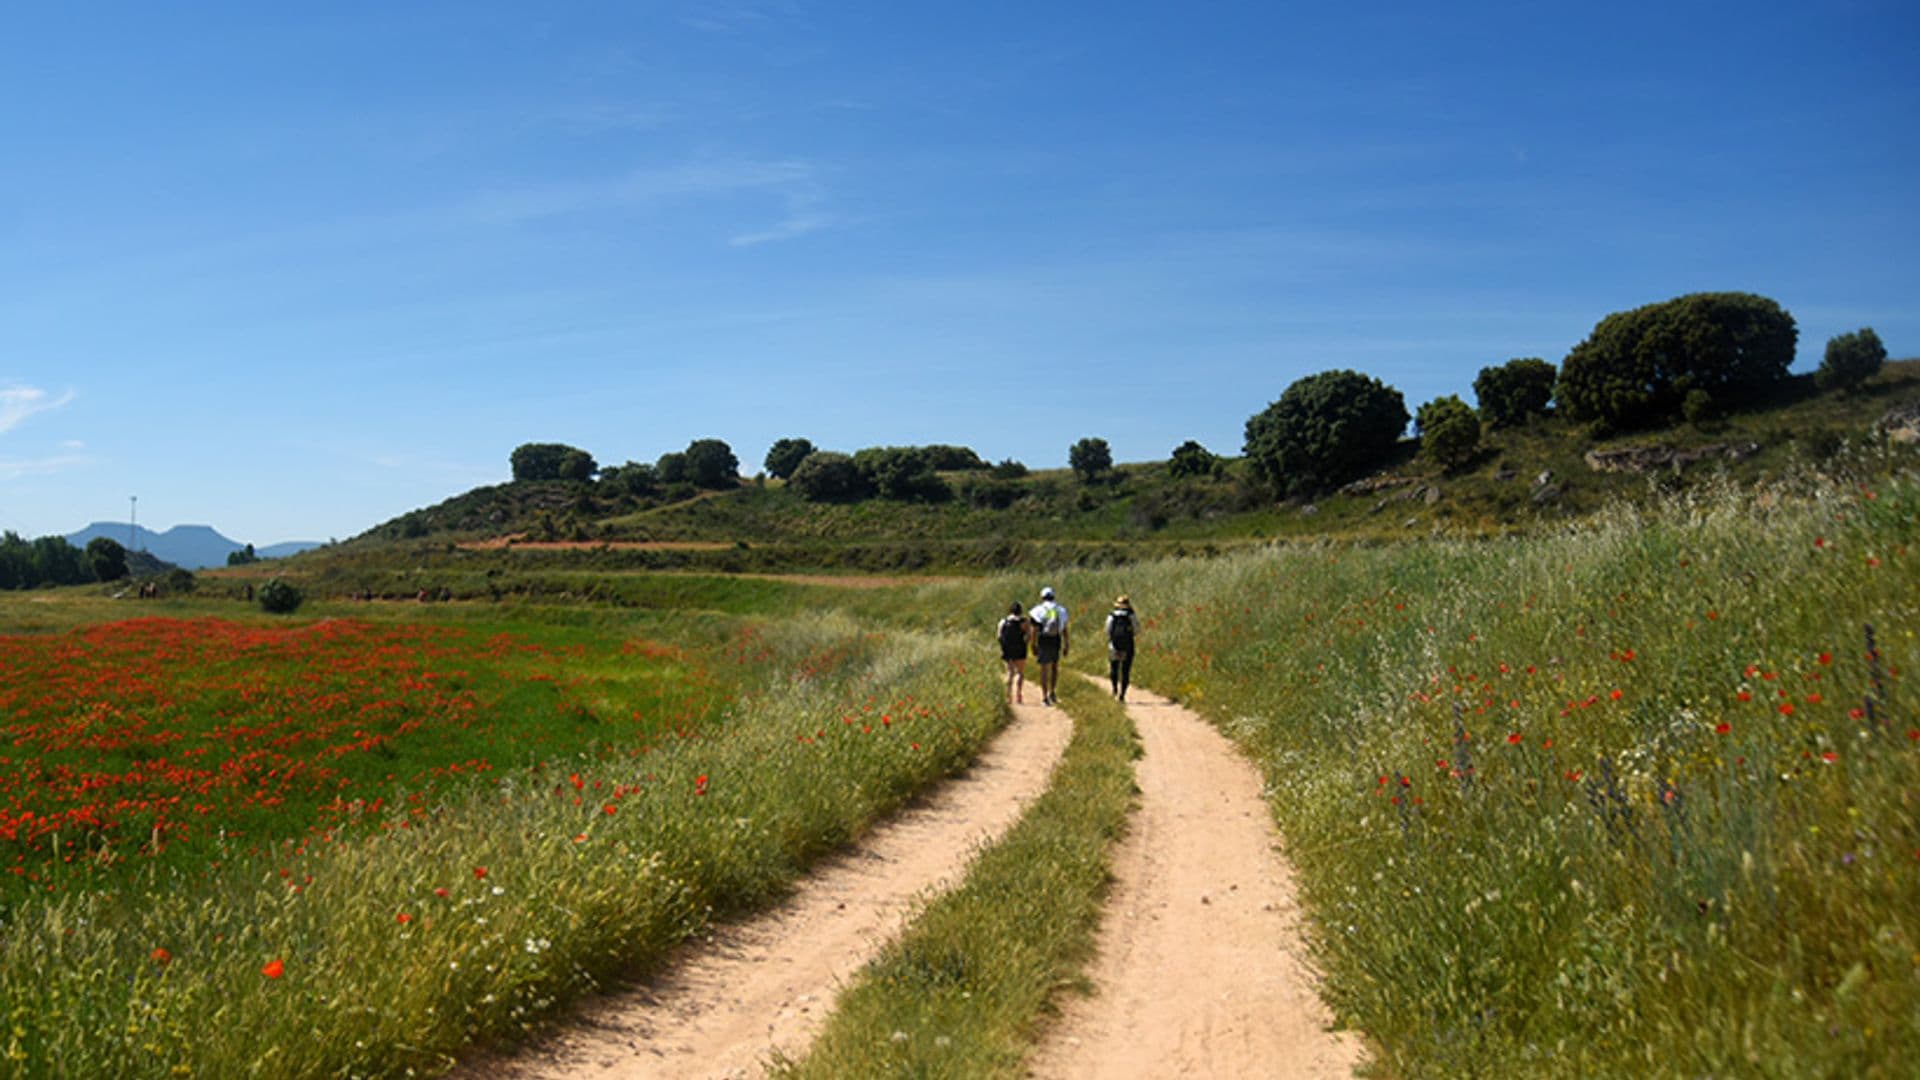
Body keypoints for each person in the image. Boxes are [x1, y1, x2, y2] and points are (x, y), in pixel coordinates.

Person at [1028, 586, 1069, 706]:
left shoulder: (1038, 611)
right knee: (1054, 667)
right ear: (1053, 597)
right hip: (1056, 639)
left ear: (1042, 597)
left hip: (1043, 640)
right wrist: (1066, 644)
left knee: (1044, 669)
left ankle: (1044, 696)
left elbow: (1034, 629)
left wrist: (1033, 644)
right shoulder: (1061, 610)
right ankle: (1053, 692)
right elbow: (1065, 629)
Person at [1105, 595, 1139, 701]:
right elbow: (1137, 629)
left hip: (1114, 645)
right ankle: (1122, 694)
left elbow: (1107, 629)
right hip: (1128, 645)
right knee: (1125, 670)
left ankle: (1114, 689)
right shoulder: (1131, 615)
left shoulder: (1112, 615)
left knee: (1114, 668)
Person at [996, 601, 1030, 703]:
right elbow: (1028, 636)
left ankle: (1008, 695)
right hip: (1020, 649)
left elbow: (999, 636)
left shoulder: (1003, 622)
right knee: (1020, 673)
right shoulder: (1024, 622)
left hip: (1007, 650)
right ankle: (1019, 695)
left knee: (1009, 672)